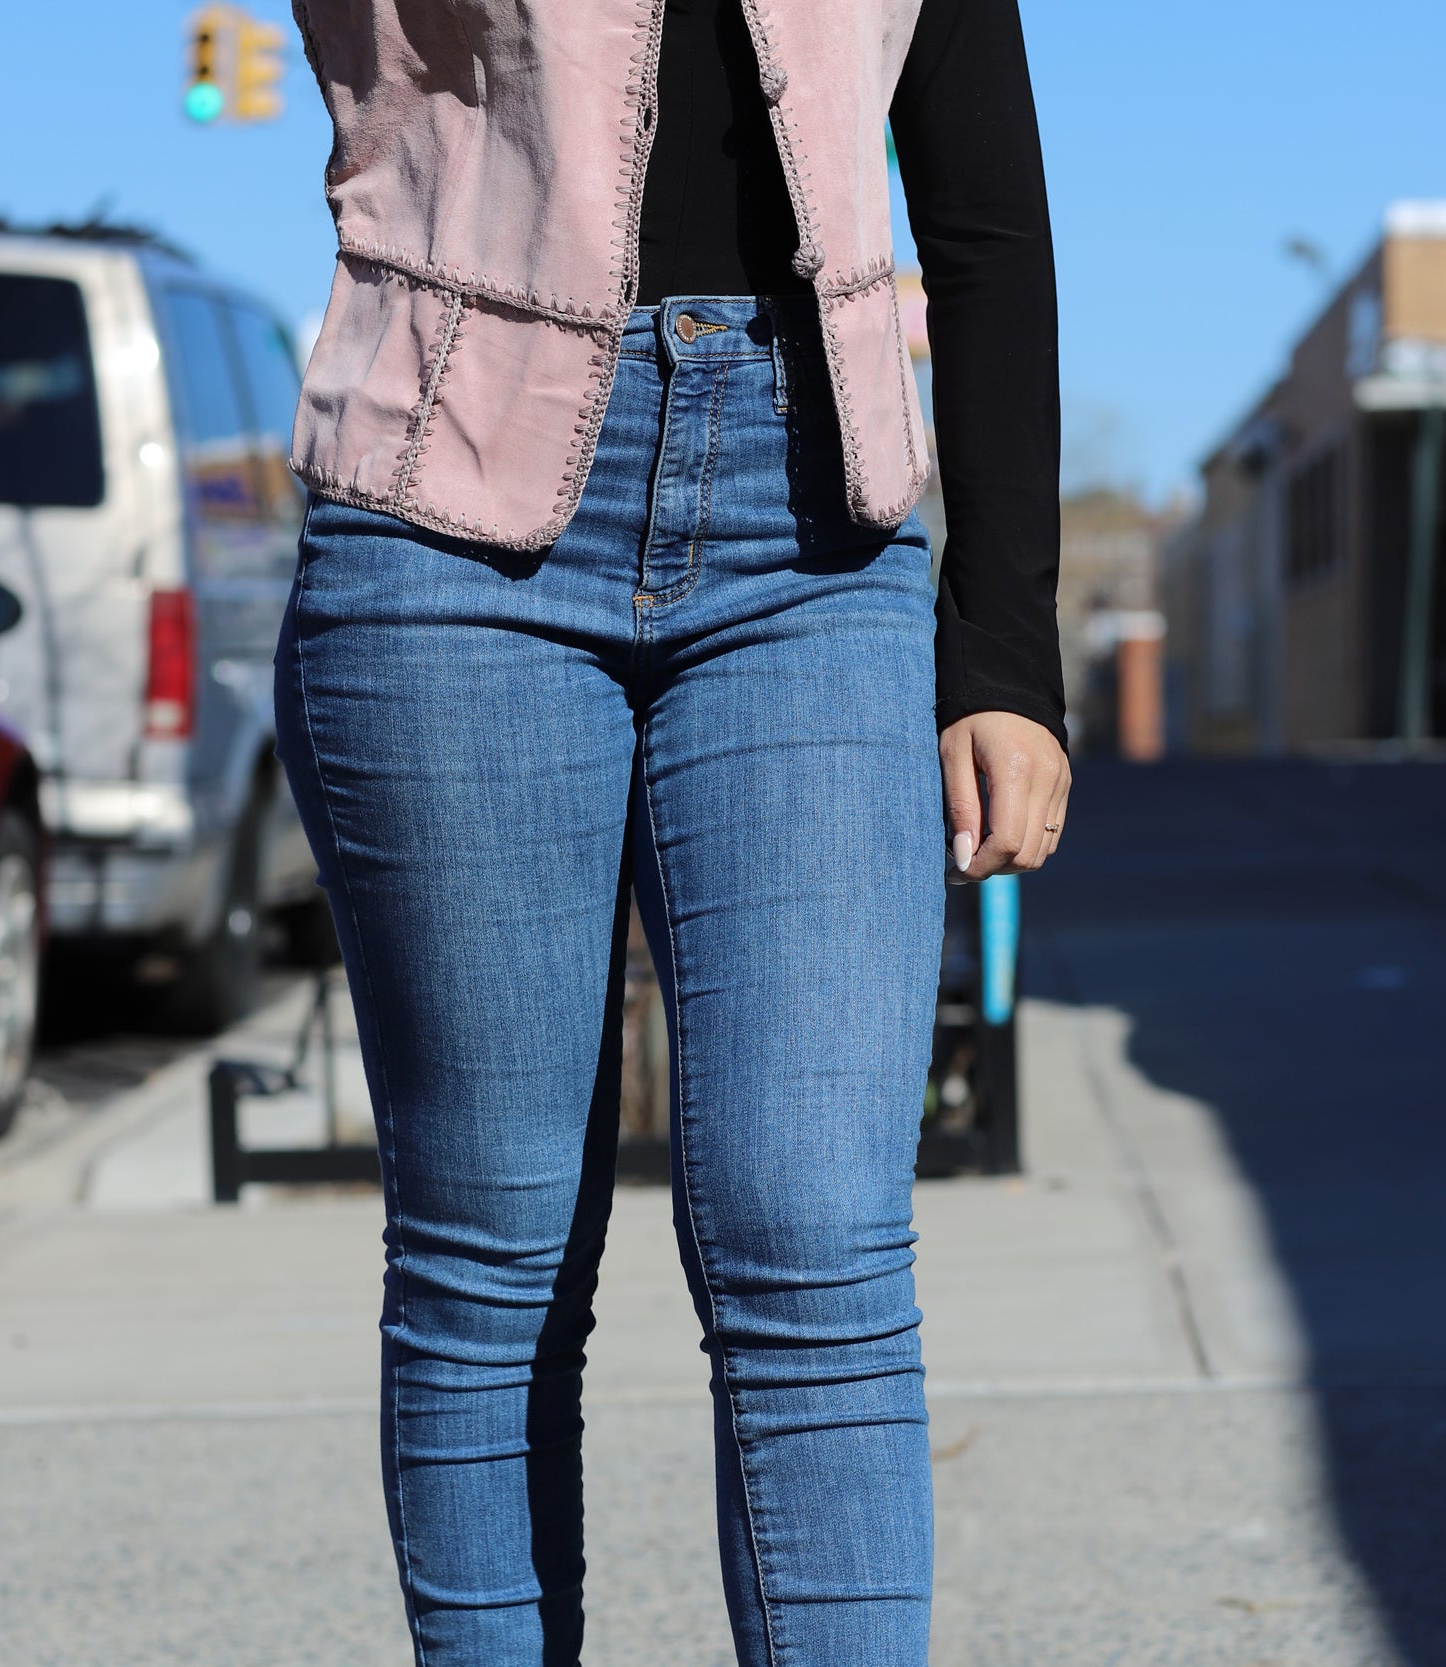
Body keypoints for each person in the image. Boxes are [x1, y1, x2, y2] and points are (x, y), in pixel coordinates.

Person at [275, 0, 1069, 1661]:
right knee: (492, 1248)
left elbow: (985, 211)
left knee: (818, 1232)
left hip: (821, 531)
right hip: (446, 502)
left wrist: (1005, 641)